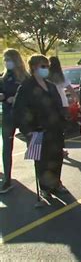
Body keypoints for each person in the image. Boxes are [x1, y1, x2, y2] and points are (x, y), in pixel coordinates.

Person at [13, 54, 69, 198]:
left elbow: (58, 104)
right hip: (37, 130)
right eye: (42, 66)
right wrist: (27, 131)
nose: (46, 69)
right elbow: (19, 110)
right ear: (34, 67)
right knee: (42, 161)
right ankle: (45, 187)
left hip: (54, 129)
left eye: (47, 66)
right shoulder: (26, 87)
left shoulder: (50, 85)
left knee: (56, 158)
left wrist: (63, 117)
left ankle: (56, 183)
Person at [0, 49, 29, 194]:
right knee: (6, 148)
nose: (6, 62)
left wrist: (17, 99)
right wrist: (3, 97)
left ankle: (45, 181)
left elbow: (32, 95)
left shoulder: (25, 77)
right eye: (5, 59)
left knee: (35, 145)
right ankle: (7, 180)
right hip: (7, 116)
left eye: (9, 59)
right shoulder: (3, 78)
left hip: (24, 116)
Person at [48, 56, 80, 158]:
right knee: (60, 130)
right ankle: (60, 149)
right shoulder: (60, 76)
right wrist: (78, 99)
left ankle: (53, 149)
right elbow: (70, 89)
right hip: (62, 104)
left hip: (50, 105)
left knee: (52, 129)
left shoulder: (46, 77)